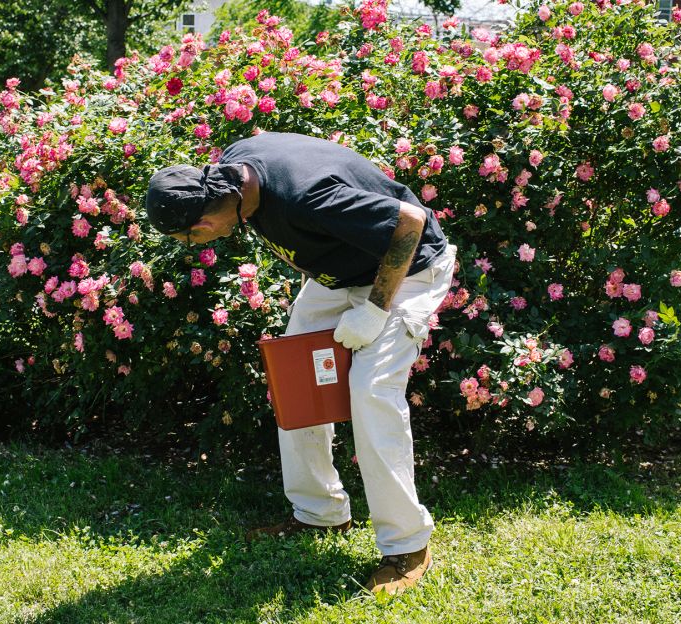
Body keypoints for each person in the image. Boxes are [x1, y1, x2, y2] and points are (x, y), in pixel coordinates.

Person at [144, 131, 456, 595]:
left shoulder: (305, 197)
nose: (196, 241)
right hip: (341, 277)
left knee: (371, 391)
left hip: (408, 268)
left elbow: (409, 223)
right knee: (295, 383)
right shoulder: (235, 173)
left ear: (214, 205)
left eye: (193, 231)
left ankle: (408, 545)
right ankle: (320, 515)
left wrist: (373, 310)